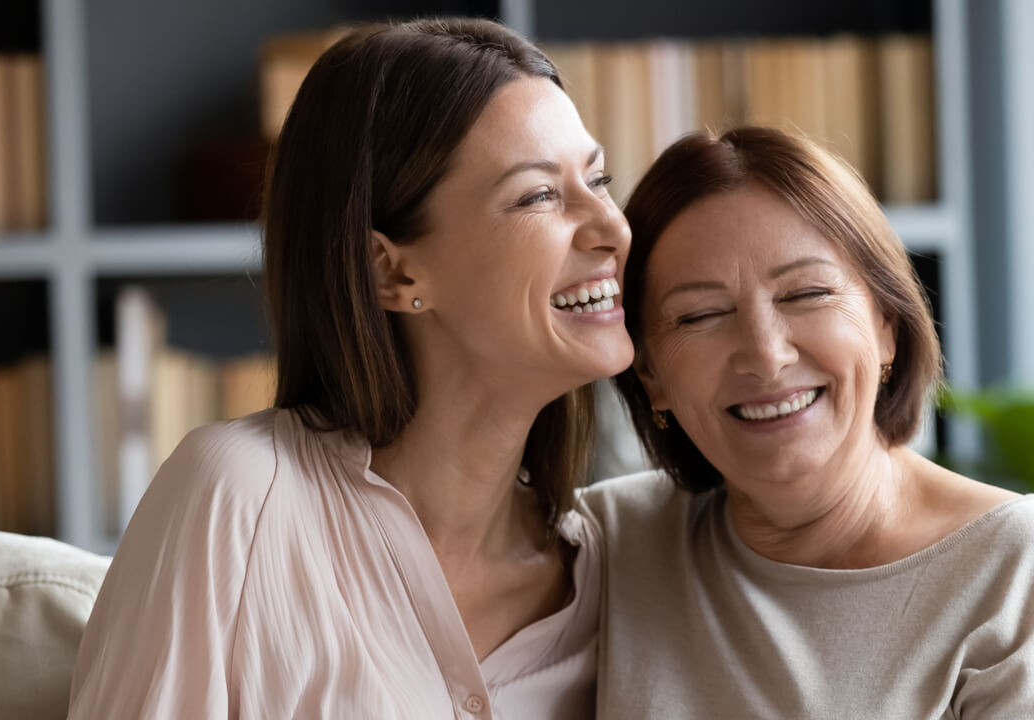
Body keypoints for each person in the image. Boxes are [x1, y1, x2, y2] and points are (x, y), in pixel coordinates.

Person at [68, 18, 629, 718]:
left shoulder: (616, 579)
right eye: (539, 195)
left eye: (599, 180)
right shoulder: (238, 500)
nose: (613, 228)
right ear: (390, 271)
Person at [586, 126, 1034, 718]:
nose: (766, 355)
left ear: (887, 324)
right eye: (701, 315)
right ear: (649, 375)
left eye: (806, 293)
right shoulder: (610, 545)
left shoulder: (1022, 564)